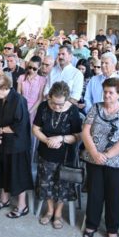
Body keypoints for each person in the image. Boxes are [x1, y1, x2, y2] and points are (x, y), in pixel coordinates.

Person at [82, 78, 119, 237]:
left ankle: (112, 229)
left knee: (113, 196)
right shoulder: (95, 108)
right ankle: (91, 224)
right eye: (105, 92)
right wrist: (95, 153)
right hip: (94, 158)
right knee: (95, 193)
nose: (107, 95)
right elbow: (85, 132)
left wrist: (107, 155)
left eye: (111, 92)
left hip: (117, 162)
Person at [33, 82, 82, 229]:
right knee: (46, 183)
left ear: (66, 99)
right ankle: (49, 210)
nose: (56, 107)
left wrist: (61, 138)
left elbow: (78, 136)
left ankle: (58, 213)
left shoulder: (72, 110)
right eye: (54, 103)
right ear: (49, 97)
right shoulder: (43, 106)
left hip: (66, 154)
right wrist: (47, 140)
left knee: (63, 185)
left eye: (60, 104)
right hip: (46, 151)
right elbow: (35, 129)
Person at [0, 73, 34, 218]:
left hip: (17, 144)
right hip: (3, 142)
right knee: (4, 171)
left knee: (18, 173)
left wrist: (0, 130)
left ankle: (22, 205)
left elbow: (19, 126)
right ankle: (4, 199)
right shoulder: (0, 100)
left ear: (4, 87)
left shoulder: (19, 100)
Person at [17, 56, 47, 124]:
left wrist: (30, 112)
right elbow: (18, 94)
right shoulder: (21, 77)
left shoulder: (42, 80)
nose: (31, 70)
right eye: (30, 67)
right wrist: (20, 108)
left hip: (35, 109)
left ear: (39, 67)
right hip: (22, 106)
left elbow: (40, 98)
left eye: (34, 68)